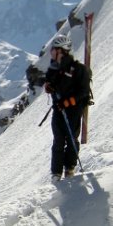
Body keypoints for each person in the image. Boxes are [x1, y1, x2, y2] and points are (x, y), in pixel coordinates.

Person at [43, 34, 91, 182]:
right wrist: (49, 87)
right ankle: (56, 173)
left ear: (62, 51)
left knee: (71, 139)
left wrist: (68, 102)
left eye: (54, 50)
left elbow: (83, 91)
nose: (52, 53)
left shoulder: (78, 70)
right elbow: (51, 83)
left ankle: (69, 168)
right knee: (58, 140)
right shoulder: (53, 69)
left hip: (73, 110)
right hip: (58, 109)